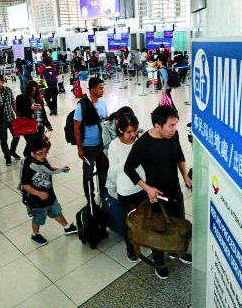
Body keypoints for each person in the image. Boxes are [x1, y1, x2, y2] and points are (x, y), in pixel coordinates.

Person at [124, 105, 193, 279]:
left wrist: (185, 175)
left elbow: (179, 155)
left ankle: (176, 251)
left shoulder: (173, 135)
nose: (175, 129)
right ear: (157, 126)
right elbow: (128, 168)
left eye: (176, 124)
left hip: (174, 190)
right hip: (156, 195)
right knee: (158, 228)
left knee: (177, 222)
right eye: (171, 125)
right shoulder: (143, 144)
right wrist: (147, 188)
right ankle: (158, 262)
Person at [21, 138, 77, 246]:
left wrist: (60, 169)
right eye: (40, 153)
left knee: (57, 211)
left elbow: (48, 169)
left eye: (45, 153)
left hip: (49, 194)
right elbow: (25, 185)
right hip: (37, 199)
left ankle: (67, 227)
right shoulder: (29, 166)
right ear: (32, 153)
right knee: (38, 218)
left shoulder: (42, 160)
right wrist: (38, 193)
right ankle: (35, 235)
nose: (43, 156)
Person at [106, 113, 145, 262]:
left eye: (134, 130)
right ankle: (131, 249)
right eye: (129, 132)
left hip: (142, 186)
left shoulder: (139, 141)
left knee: (142, 219)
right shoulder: (114, 146)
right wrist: (128, 163)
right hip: (126, 190)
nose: (133, 134)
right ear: (121, 130)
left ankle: (142, 241)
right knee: (128, 221)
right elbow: (112, 171)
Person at [73, 77, 109, 202]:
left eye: (103, 88)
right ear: (92, 89)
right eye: (100, 88)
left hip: (102, 145)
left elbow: (106, 123)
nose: (102, 90)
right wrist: (79, 149)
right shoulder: (82, 105)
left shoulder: (103, 104)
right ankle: (90, 199)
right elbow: (76, 128)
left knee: (102, 171)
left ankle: (104, 195)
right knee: (88, 175)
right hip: (88, 146)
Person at [0, 74, 20, 166]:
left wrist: (17, 115)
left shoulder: (8, 90)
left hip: (11, 117)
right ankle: (7, 156)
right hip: (0, 120)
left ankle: (12, 151)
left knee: (17, 135)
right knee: (3, 139)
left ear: (3, 82)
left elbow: (13, 103)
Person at [16, 80, 52, 157]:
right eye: (32, 90)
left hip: (40, 124)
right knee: (31, 143)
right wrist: (30, 109)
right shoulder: (21, 98)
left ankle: (34, 158)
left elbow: (43, 113)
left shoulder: (38, 98)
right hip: (28, 125)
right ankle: (28, 156)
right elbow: (20, 112)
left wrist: (47, 124)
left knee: (38, 143)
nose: (33, 92)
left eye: (35, 90)